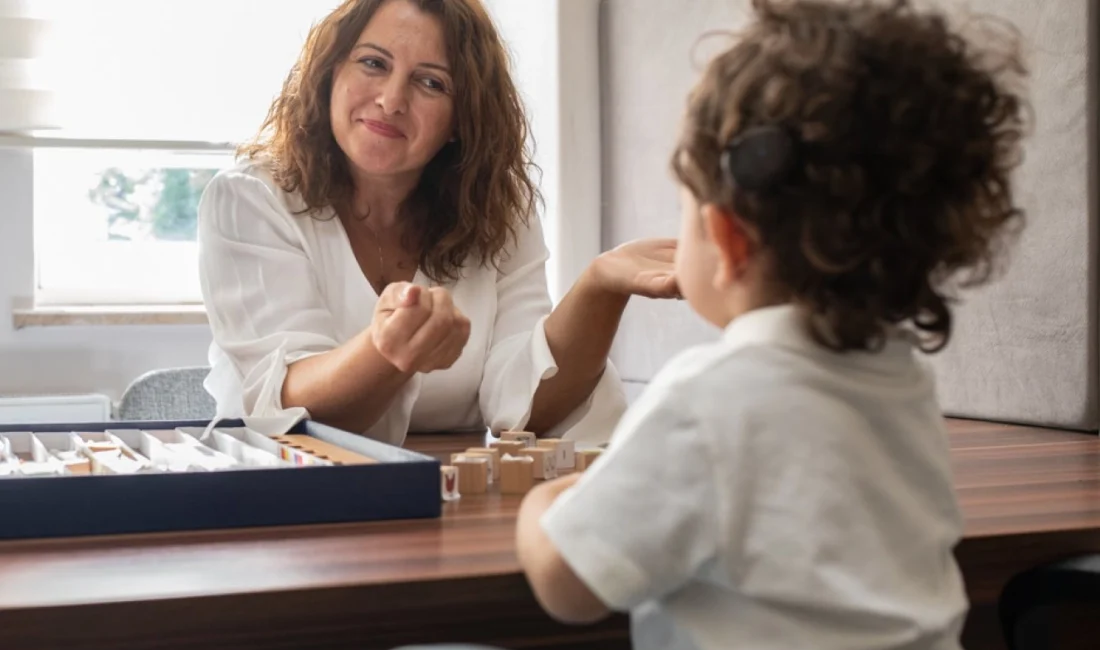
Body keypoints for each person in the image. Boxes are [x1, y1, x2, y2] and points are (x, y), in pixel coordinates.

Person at [515, 1, 1028, 649]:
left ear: (727, 240)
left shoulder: (707, 398)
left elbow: (568, 584)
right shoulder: (903, 383)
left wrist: (543, 503)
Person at [197, 0, 678, 446]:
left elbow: (527, 408)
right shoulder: (250, 198)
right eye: (373, 63)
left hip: (448, 508)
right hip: (279, 502)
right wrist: (385, 352)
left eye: (430, 82)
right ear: (329, 74)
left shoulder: (498, 213)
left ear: (461, 120)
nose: (390, 100)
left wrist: (599, 288)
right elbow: (287, 398)